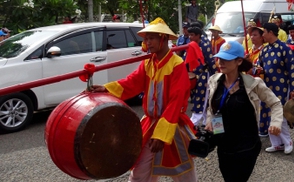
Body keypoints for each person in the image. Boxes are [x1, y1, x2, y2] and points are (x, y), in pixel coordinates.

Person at [89, 18, 197, 182]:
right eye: (146, 38)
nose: (147, 42)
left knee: (183, 172)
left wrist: (161, 135)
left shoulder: (177, 64)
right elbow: (131, 83)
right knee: (140, 171)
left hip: (171, 124)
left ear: (164, 38)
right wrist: (107, 88)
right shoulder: (148, 63)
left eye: (151, 38)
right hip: (151, 123)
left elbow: (176, 101)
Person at [206, 41, 283, 182]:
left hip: (246, 146)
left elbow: (276, 104)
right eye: (219, 59)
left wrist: (276, 123)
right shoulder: (214, 80)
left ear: (239, 61)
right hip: (222, 144)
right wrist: (209, 121)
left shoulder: (253, 84)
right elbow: (212, 108)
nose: (220, 62)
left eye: (226, 59)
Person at [256, 22, 294, 154]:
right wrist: (258, 69)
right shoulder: (264, 50)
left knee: (279, 115)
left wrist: (293, 89)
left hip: (281, 88)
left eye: (264, 32)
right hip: (266, 88)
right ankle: (276, 144)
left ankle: (287, 142)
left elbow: (292, 70)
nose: (262, 35)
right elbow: (260, 66)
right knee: (269, 115)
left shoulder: (284, 49)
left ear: (270, 32)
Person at [188, 26, 217, 126]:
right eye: (189, 35)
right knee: (202, 99)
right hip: (196, 75)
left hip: (205, 75)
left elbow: (210, 60)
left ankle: (193, 123)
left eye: (192, 35)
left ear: (198, 35)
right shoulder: (191, 45)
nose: (190, 37)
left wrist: (216, 75)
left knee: (203, 98)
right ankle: (206, 123)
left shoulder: (205, 45)